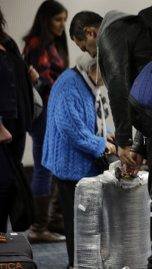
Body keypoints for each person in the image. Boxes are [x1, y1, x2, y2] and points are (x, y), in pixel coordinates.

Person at [69, 10, 152, 269]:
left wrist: (124, 142)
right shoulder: (132, 28)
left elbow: (118, 87)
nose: (92, 55)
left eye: (86, 48)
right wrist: (139, 146)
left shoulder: (110, 35)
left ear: (89, 33)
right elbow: (148, 99)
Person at [41, 53, 116, 269]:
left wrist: (106, 133)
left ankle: (86, 263)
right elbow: (72, 129)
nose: (108, 80)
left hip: (81, 164)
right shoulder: (70, 84)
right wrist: (101, 144)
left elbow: (91, 118)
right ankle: (77, 265)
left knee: (88, 223)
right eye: (107, 74)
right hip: (71, 165)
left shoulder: (86, 80)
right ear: (96, 69)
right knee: (78, 226)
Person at [23, 0, 69, 242]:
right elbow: (39, 82)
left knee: (51, 166)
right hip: (42, 114)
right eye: (58, 19)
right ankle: (38, 228)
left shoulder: (50, 43)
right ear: (46, 20)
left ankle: (51, 221)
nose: (62, 24)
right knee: (43, 169)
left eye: (64, 19)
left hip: (52, 112)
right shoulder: (38, 44)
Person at [0, 7, 39, 233]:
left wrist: (28, 75)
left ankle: (5, 240)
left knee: (12, 183)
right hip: (2, 123)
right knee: (3, 183)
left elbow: (15, 73)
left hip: (18, 121)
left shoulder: (8, 42)